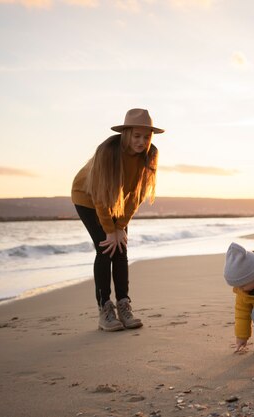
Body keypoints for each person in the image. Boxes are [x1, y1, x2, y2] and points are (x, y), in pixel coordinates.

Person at [71, 108, 164, 331]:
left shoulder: (149, 155)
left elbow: (137, 195)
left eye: (146, 136)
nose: (142, 141)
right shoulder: (108, 151)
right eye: (137, 136)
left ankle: (124, 305)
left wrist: (120, 227)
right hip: (88, 196)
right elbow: (100, 195)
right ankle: (105, 310)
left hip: (116, 199)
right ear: (126, 133)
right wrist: (110, 231)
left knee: (120, 248)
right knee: (106, 248)